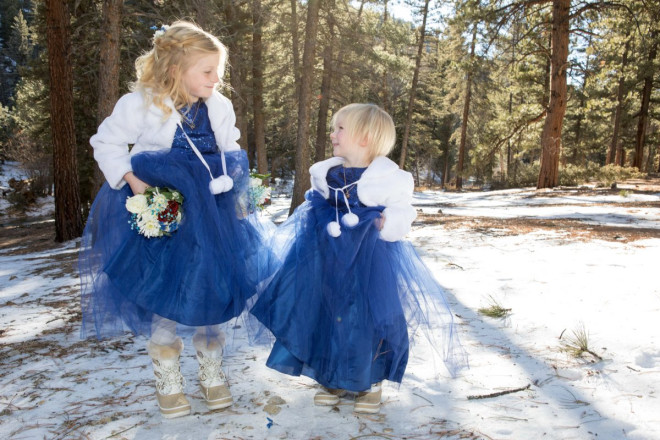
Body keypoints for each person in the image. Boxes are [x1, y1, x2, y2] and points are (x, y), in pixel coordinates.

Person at [79, 21, 268, 418]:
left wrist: (240, 194)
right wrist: (132, 182)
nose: (216, 79)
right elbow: (106, 142)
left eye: (219, 71)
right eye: (207, 71)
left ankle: (212, 371)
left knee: (212, 287)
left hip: (213, 215)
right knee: (168, 289)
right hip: (168, 212)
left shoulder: (220, 106)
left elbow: (231, 151)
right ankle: (167, 375)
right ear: (174, 69)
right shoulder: (142, 103)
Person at [250, 103, 467, 414]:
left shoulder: (388, 178)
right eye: (334, 127)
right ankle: (332, 375)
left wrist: (385, 222)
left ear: (364, 138)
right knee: (330, 313)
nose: (332, 133)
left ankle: (371, 380)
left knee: (370, 317)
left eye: (340, 129)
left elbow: (404, 213)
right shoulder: (325, 173)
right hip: (328, 259)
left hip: (370, 262)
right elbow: (315, 208)